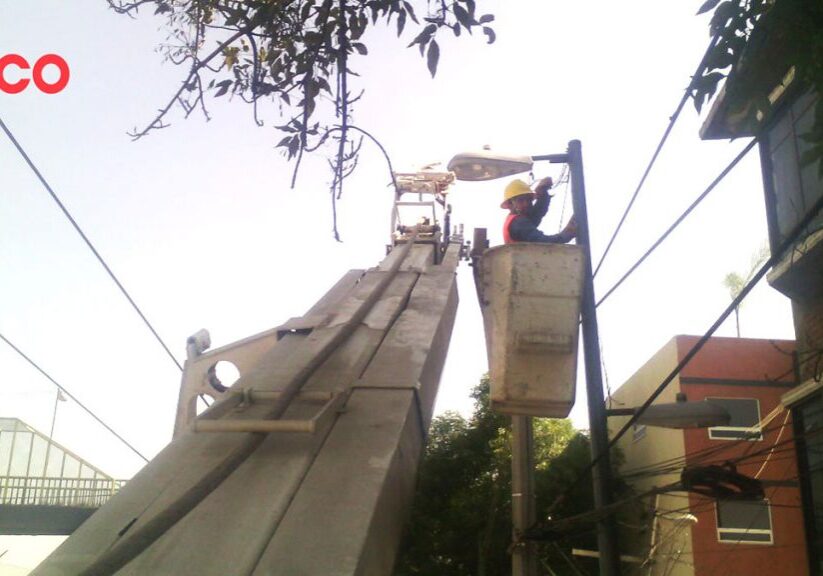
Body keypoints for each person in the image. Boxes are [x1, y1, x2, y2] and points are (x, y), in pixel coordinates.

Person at [501, 177, 577, 244]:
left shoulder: (515, 220)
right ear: (510, 204)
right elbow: (541, 241)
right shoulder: (518, 222)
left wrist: (543, 194)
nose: (526, 204)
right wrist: (565, 235)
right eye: (521, 200)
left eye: (529, 200)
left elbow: (537, 214)